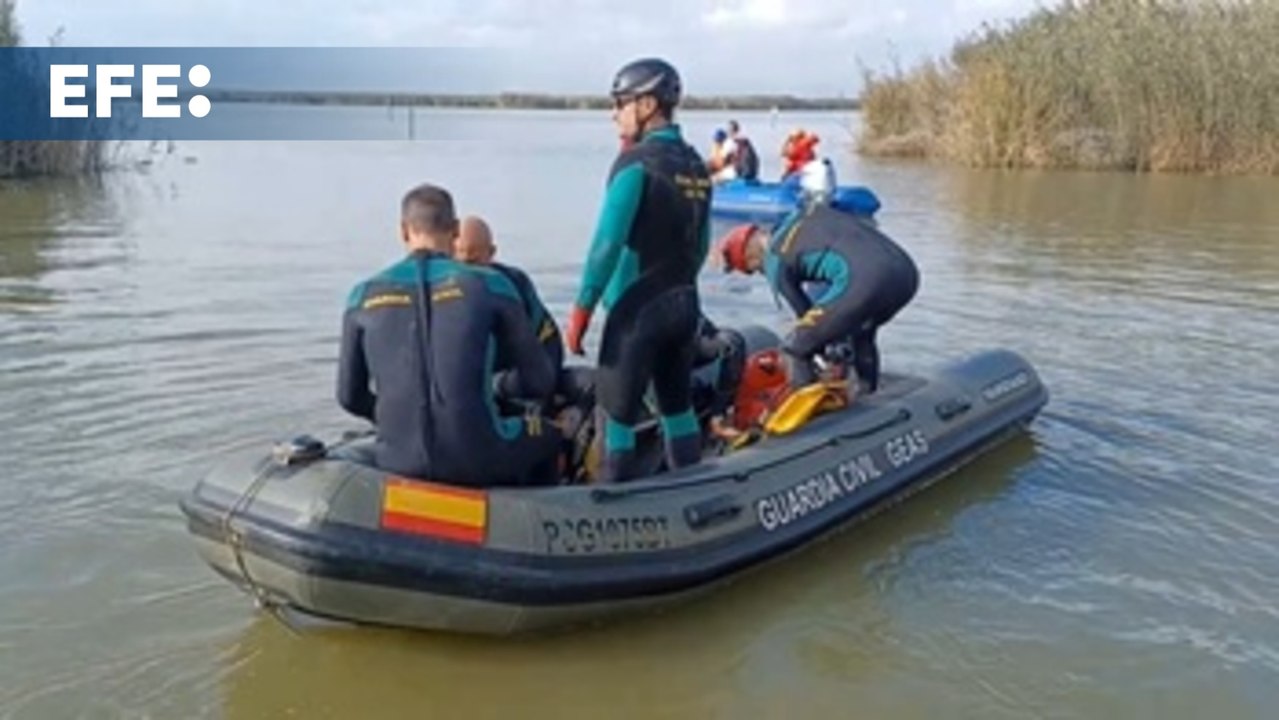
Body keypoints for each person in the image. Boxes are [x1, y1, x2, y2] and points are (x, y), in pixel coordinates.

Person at [337, 184, 562, 487]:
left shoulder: (361, 295)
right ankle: (537, 512)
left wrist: (397, 422)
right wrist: (498, 388)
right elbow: (539, 381)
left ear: (404, 231)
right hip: (480, 456)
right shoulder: (493, 284)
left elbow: (349, 397)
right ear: (455, 231)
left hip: (398, 459)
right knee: (550, 434)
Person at [563, 57, 713, 483]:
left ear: (647, 104)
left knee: (618, 418)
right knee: (677, 408)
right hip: (684, 304)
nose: (614, 114)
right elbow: (699, 246)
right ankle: (690, 491)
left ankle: (612, 513)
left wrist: (582, 310)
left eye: (620, 102)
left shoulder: (634, 164)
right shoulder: (697, 165)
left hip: (637, 312)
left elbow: (606, 243)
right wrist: (676, 290)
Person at [716, 203, 919, 394]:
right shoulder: (802, 215)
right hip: (906, 273)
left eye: (754, 270)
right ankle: (869, 393)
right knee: (861, 333)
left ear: (751, 257)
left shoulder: (775, 258)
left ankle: (804, 413)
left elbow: (803, 314)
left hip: (868, 278)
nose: (761, 273)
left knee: (796, 347)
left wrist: (816, 348)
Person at [455, 215, 564, 375]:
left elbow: (548, 339)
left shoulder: (514, 284)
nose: (468, 271)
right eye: (459, 261)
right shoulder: (439, 292)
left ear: (491, 253)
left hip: (513, 379)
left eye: (473, 262)